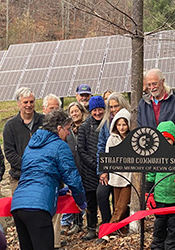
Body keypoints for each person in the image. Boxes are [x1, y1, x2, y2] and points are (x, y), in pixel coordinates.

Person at [11, 110, 87, 250]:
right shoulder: (60, 146)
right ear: (59, 129)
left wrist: (62, 192)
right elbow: (73, 178)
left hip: (18, 205)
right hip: (38, 207)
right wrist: (81, 202)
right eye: (67, 129)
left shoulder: (31, 145)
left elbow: (36, 178)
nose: (69, 133)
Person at [147, 121, 175, 250]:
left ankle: (172, 247)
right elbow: (150, 175)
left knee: (174, 226)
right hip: (160, 198)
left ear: (174, 139)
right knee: (159, 225)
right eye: (162, 139)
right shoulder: (155, 155)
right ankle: (157, 246)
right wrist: (148, 194)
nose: (165, 142)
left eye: (168, 139)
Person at [97, 93, 130, 230]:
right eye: (110, 107)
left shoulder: (130, 120)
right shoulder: (106, 125)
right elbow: (102, 148)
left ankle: (112, 227)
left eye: (116, 106)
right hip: (112, 170)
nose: (113, 109)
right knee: (104, 195)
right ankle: (110, 224)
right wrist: (103, 170)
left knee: (123, 202)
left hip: (128, 173)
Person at [3, 87, 45, 193]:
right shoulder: (10, 125)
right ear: (19, 103)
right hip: (19, 177)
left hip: (43, 175)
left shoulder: (44, 121)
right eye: (25, 102)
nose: (29, 105)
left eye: (31, 102)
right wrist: (28, 166)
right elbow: (9, 152)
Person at [138, 68, 175, 150]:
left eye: (154, 84)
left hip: (171, 152)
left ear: (162, 81)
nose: (152, 88)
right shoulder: (143, 104)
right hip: (149, 153)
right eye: (149, 85)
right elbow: (140, 129)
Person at [77, 96, 106, 241]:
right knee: (91, 201)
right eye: (95, 110)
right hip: (89, 171)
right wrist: (96, 166)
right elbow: (81, 150)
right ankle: (91, 228)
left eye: (100, 109)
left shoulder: (108, 124)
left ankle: (107, 226)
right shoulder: (84, 126)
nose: (98, 113)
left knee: (105, 199)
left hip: (107, 169)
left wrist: (104, 166)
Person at [61, 102, 88, 235]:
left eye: (76, 111)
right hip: (72, 165)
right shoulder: (68, 130)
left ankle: (88, 221)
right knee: (73, 194)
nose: (74, 114)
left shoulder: (87, 126)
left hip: (86, 166)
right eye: (72, 112)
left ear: (82, 111)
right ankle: (77, 222)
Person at [105, 108, 133, 233]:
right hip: (116, 177)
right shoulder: (112, 139)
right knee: (116, 205)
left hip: (128, 177)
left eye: (124, 124)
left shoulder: (133, 138)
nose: (121, 127)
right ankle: (121, 229)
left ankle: (110, 227)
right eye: (119, 124)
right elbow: (108, 156)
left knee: (122, 206)